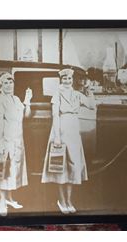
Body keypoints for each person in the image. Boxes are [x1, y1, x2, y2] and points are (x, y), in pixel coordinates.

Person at [41, 68, 96, 214]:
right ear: (61, 80)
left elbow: (91, 105)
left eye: (69, 79)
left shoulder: (77, 94)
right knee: (61, 165)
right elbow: (55, 115)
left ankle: (69, 200)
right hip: (61, 129)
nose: (67, 81)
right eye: (64, 79)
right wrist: (57, 136)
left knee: (73, 165)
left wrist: (89, 89)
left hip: (73, 130)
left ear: (72, 80)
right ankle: (62, 200)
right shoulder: (57, 94)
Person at [0, 72, 32, 216]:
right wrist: (0, 144)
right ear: (1, 84)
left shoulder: (16, 99)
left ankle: (9, 198)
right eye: (5, 83)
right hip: (5, 140)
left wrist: (28, 100)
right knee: (3, 170)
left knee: (12, 170)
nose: (8, 85)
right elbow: (0, 124)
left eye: (10, 82)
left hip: (17, 140)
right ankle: (1, 201)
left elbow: (26, 116)